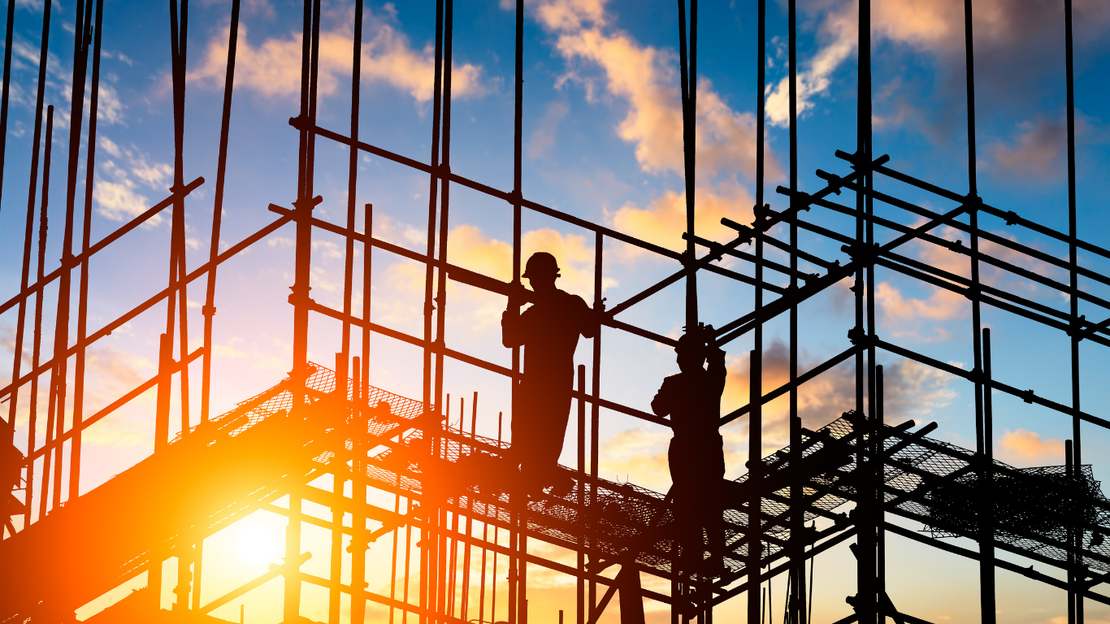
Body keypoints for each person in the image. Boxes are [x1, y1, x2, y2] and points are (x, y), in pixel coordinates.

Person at [502, 252, 599, 491]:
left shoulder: (538, 312)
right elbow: (590, 329)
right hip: (556, 382)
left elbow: (509, 339)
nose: (534, 284)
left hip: (539, 383)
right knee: (544, 435)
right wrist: (594, 313)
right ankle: (535, 478)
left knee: (532, 435)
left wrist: (512, 305)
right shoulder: (570, 304)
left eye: (535, 279)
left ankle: (532, 479)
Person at [651, 323, 726, 575]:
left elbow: (658, 408)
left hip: (685, 448)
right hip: (708, 447)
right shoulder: (710, 380)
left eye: (681, 355)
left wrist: (708, 343)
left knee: (688, 504)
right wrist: (710, 342)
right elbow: (718, 363)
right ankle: (714, 558)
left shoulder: (674, 384)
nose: (679, 360)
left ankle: (694, 556)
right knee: (710, 504)